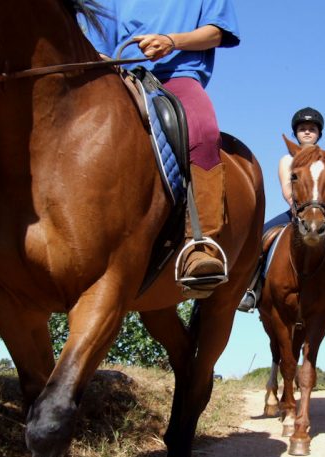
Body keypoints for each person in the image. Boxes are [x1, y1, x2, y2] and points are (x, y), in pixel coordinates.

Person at [79, 0, 241, 296]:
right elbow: (98, 42)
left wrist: (171, 41)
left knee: (204, 130)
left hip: (177, 79)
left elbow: (217, 32)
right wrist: (105, 63)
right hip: (117, 76)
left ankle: (200, 245)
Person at [237, 107, 325, 322]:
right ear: (295, 133)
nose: (307, 132)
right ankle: (253, 290)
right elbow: (286, 189)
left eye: (312, 129)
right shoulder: (286, 159)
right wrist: (301, 209)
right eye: (302, 129)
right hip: (296, 212)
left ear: (319, 133)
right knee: (257, 239)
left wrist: (319, 208)